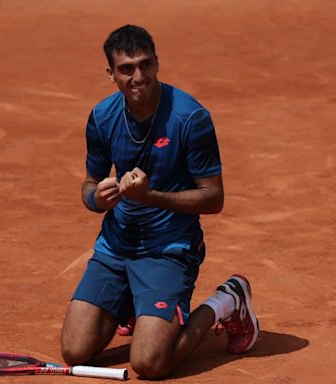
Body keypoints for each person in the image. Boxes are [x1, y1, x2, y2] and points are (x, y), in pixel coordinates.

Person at [61, 24, 259, 379]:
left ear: (157, 63)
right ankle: (137, 304)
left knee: (150, 364)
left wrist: (149, 196)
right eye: (126, 69)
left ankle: (227, 301)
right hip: (116, 246)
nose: (139, 76)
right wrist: (96, 198)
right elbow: (89, 185)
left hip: (169, 248)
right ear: (111, 74)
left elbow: (214, 198)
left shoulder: (190, 118)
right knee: (75, 351)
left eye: (145, 64)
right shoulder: (102, 116)